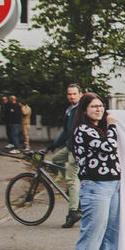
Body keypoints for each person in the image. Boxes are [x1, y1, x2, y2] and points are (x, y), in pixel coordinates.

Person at [69, 92, 121, 250]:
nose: (99, 109)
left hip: (113, 184)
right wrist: (113, 126)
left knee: (110, 238)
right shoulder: (83, 130)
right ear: (84, 110)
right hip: (95, 187)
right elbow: (108, 147)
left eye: (101, 106)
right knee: (91, 238)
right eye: (93, 107)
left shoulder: (102, 129)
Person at [48, 83, 85, 228]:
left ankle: (73, 212)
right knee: (55, 159)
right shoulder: (70, 109)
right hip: (69, 146)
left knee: (72, 178)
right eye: (69, 94)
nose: (72, 96)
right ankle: (72, 190)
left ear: (80, 94)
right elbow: (66, 131)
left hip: (76, 148)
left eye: (74, 94)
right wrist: (54, 145)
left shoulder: (81, 110)